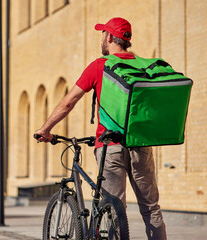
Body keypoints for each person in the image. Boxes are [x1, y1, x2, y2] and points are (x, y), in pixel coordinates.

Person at [34, 17, 167, 240]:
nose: (101, 39)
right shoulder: (143, 66)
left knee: (114, 209)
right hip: (140, 145)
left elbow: (68, 102)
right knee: (152, 208)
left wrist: (45, 129)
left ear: (108, 37)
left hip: (110, 148)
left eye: (103, 34)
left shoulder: (99, 66)